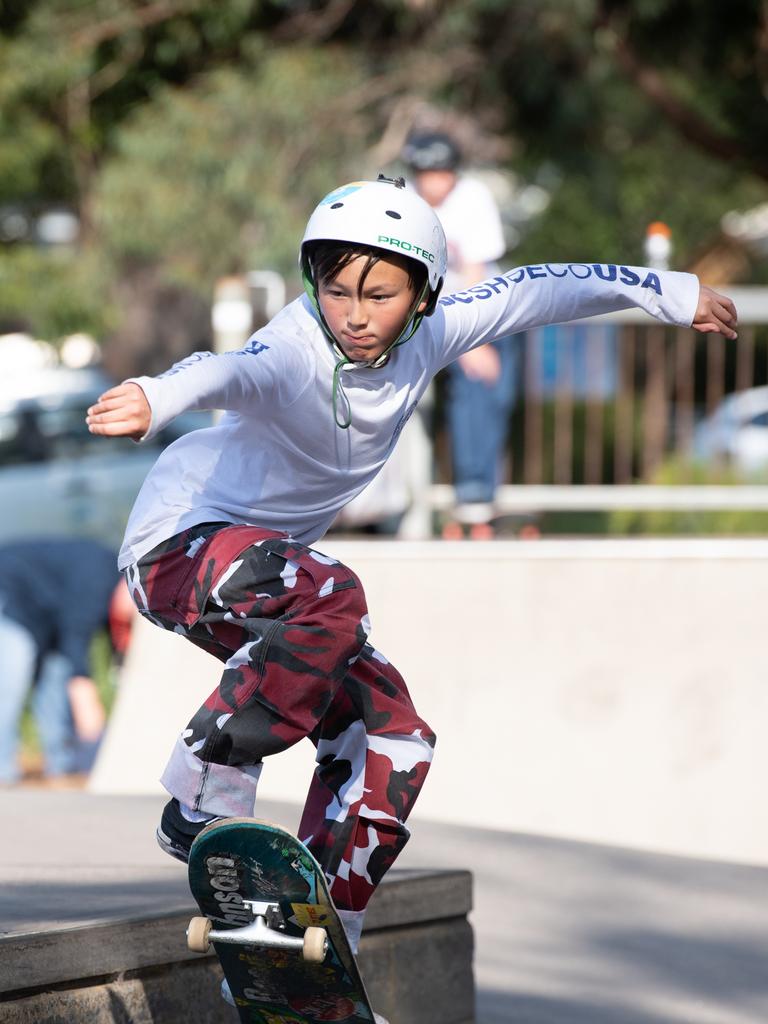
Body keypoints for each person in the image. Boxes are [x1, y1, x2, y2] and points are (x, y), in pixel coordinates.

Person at [85, 176, 737, 1000]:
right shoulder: (294, 347)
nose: (354, 315)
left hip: (271, 590)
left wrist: (671, 292)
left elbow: (542, 290)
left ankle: (308, 944)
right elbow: (222, 371)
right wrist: (155, 394)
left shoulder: (440, 330)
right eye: (336, 291)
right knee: (333, 594)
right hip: (180, 547)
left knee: (394, 740)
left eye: (379, 295)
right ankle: (202, 793)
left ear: (423, 295)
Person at [402, 130, 521, 538]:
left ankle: (478, 500)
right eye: (426, 173)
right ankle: (461, 500)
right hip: (430, 315)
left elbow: (476, 271)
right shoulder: (407, 203)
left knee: (491, 396)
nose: (435, 181)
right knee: (447, 401)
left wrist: (478, 338)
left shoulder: (472, 197)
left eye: (442, 172)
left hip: (482, 310)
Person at [0, 537, 134, 784]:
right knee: (11, 677)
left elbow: (87, 647)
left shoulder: (114, 596)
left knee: (57, 675)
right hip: (9, 589)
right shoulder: (97, 578)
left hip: (45, 614)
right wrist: (88, 707)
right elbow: (76, 641)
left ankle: (62, 767)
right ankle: (3, 771)